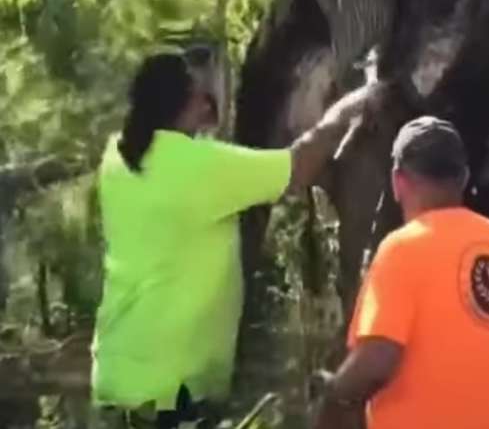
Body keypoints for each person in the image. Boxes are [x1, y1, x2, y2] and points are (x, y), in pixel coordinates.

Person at [91, 48, 370, 428]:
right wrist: (352, 105)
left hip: (120, 369)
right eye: (203, 95)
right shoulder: (197, 168)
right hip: (173, 389)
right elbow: (298, 166)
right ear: (188, 103)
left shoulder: (117, 156)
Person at [313, 116, 489, 429]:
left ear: (398, 181)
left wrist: (333, 394)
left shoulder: (402, 249)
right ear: (462, 178)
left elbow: (376, 361)